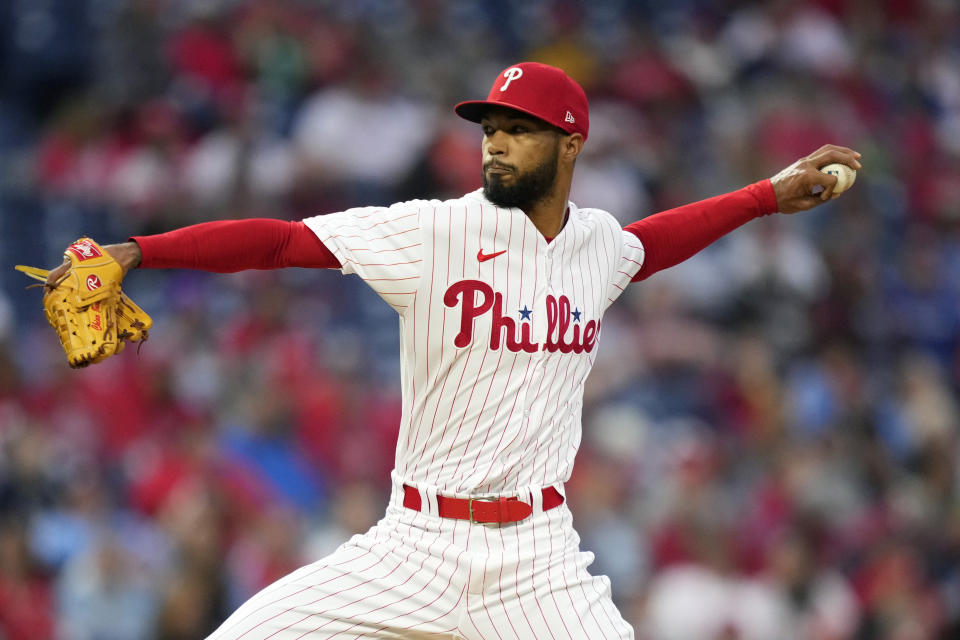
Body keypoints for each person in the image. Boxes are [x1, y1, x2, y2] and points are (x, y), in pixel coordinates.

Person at [47, 62, 861, 639]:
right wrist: (139, 251)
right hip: (413, 542)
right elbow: (281, 242)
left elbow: (651, 246)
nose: (495, 144)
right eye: (490, 129)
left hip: (535, 559)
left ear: (570, 145)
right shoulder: (435, 230)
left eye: (518, 131)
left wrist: (765, 197)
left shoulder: (598, 246)